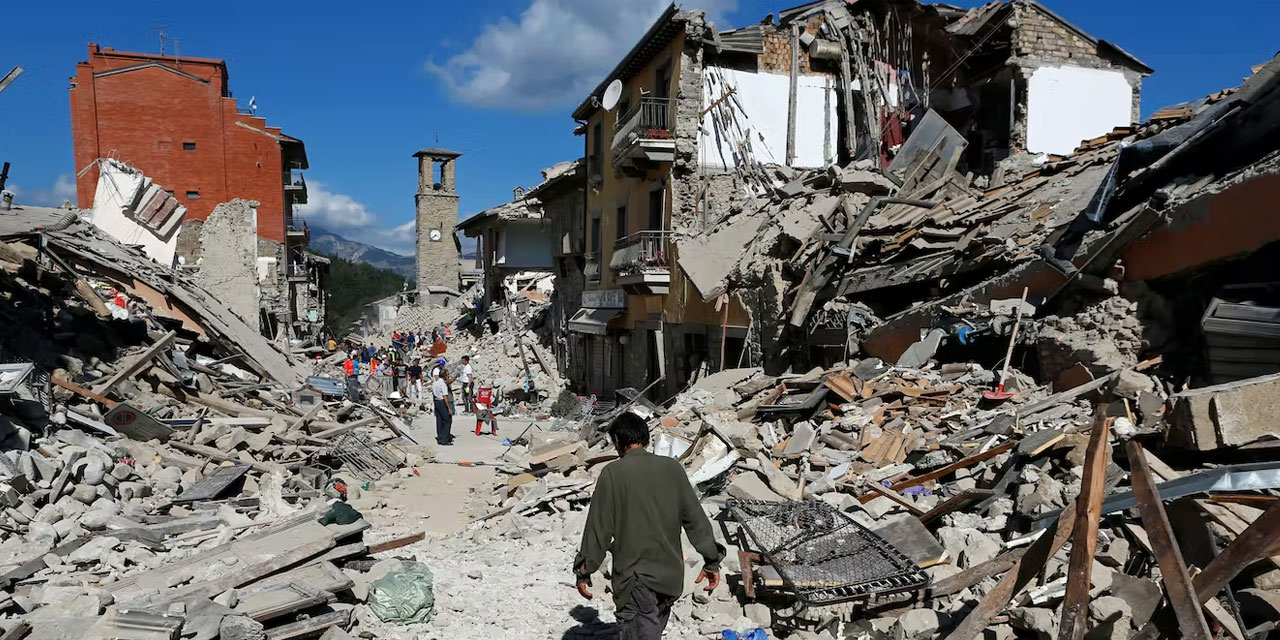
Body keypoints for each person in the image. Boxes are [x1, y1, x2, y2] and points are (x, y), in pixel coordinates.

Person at [573, 412, 724, 640]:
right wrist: (712, 560)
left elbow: (598, 530)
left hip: (636, 581)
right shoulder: (673, 469)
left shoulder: (613, 473)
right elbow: (696, 521)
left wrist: (584, 571)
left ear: (617, 441)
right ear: (645, 438)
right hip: (670, 580)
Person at [431, 367, 454, 445]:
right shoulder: (442, 384)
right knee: (447, 420)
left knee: (439, 420)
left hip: (436, 402)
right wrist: (449, 408)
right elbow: (445, 396)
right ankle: (445, 439)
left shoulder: (435, 382)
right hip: (442, 402)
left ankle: (440, 437)